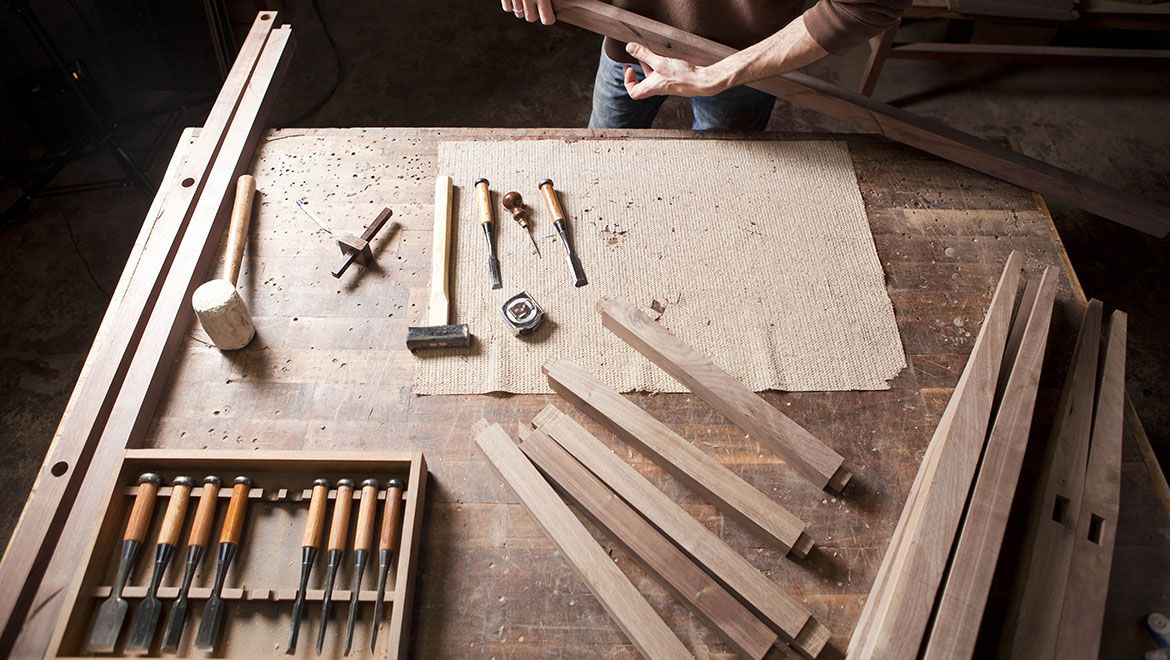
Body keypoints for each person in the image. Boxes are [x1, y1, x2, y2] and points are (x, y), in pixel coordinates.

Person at [500, 0, 909, 130]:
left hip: (745, 62)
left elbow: (867, 4)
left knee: (719, 192)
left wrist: (718, 74)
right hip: (632, 40)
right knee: (600, 157)